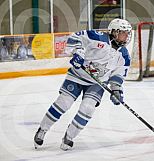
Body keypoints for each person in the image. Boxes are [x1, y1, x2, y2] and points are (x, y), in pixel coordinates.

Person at [34, 18, 132, 150]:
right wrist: (77, 53)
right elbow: (75, 37)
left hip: (97, 83)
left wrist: (116, 90)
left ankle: (69, 136)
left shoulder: (124, 55)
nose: (126, 36)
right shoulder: (98, 37)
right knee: (63, 102)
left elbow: (118, 74)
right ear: (114, 32)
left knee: (87, 108)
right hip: (77, 76)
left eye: (127, 33)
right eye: (123, 32)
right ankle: (43, 129)